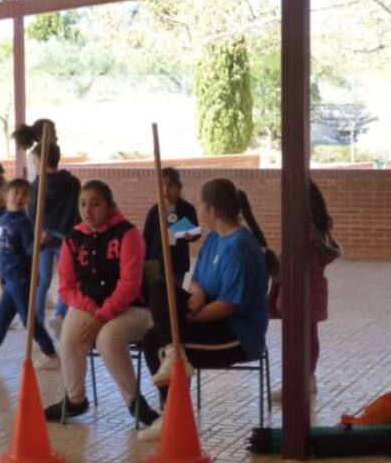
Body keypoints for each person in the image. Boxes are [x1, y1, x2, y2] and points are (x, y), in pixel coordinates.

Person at [139, 178, 270, 441]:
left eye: (203, 205)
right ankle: (174, 357)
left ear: (212, 209)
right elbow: (197, 280)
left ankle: (173, 414)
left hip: (235, 333)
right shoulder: (213, 237)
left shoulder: (240, 246)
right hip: (205, 312)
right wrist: (197, 294)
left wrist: (190, 316)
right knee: (159, 289)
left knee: (156, 341)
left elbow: (229, 304)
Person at [43, 180, 158, 426]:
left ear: (109, 206)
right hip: (91, 305)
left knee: (108, 338)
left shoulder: (128, 234)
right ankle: (75, 399)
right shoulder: (73, 238)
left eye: (95, 204)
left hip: (133, 308)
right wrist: (92, 310)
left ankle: (135, 402)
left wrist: (102, 316)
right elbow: (66, 287)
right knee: (70, 336)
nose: (88, 211)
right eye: (83, 204)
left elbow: (130, 286)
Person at [0, 179, 59, 368]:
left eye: (24, 194)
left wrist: (40, 242)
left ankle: (51, 354)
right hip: (9, 278)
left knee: (28, 320)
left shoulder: (24, 223)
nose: (19, 197)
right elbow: (1, 251)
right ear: (6, 194)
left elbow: (29, 251)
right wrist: (2, 276)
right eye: (16, 192)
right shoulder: (1, 220)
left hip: (22, 279)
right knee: (1, 317)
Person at [269, 181, 341, 398]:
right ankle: (307, 378)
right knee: (309, 336)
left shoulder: (302, 226)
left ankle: (296, 383)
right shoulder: (316, 224)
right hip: (313, 287)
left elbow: (294, 259)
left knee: (296, 339)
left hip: (300, 290)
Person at [29, 142, 80, 337]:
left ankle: (38, 320)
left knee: (42, 280)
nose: (33, 164)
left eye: (34, 160)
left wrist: (40, 231)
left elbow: (33, 211)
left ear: (41, 160)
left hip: (44, 238)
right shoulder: (72, 183)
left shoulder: (40, 184)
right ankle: (59, 314)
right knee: (67, 279)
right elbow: (75, 211)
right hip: (65, 236)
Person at [142, 166, 199, 289]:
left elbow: (195, 233)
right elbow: (146, 238)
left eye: (169, 185)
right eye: (161, 185)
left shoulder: (187, 209)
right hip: (156, 262)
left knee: (174, 294)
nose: (165, 190)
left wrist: (190, 234)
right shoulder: (154, 211)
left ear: (178, 187)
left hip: (177, 264)